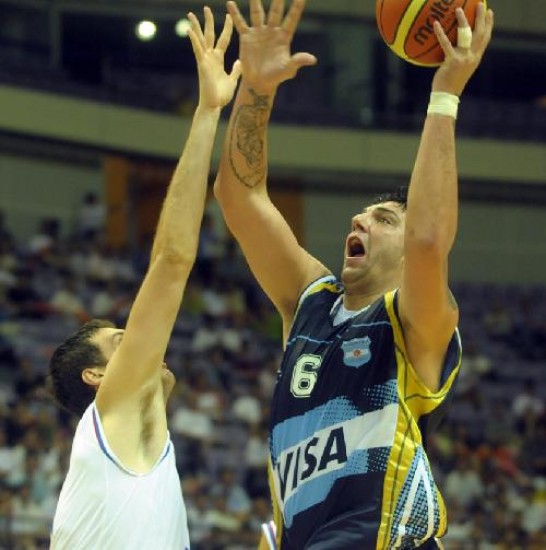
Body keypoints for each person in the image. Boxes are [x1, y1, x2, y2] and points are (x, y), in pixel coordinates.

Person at [214, 0, 494, 548]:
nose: (360, 218)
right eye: (362, 215)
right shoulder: (310, 300)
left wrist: (446, 92)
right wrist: (257, 89)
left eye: (383, 219)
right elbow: (239, 197)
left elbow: (430, 241)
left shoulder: (418, 326)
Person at [47, 7, 241, 549]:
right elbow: (173, 261)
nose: (136, 342)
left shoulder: (129, 436)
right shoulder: (114, 409)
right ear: (96, 378)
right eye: (119, 341)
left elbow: (167, 383)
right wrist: (206, 112)